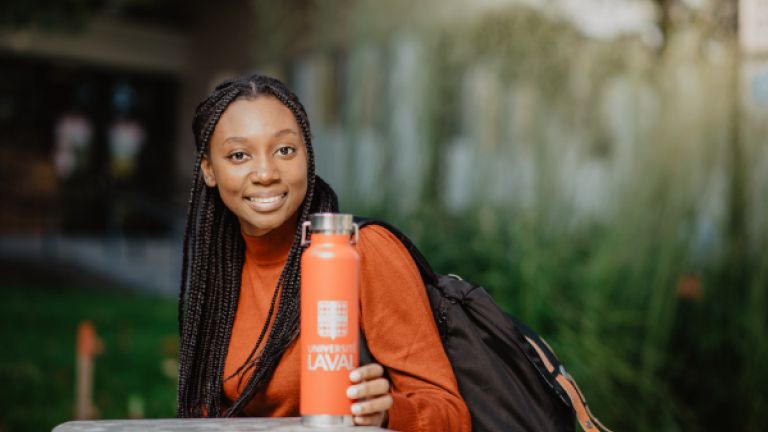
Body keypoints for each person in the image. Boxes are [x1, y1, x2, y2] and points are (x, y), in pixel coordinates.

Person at [177, 73, 471, 431]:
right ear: (210, 170)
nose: (266, 173)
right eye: (239, 155)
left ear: (307, 152)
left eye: (285, 150)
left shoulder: (361, 251)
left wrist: (386, 412)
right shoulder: (221, 269)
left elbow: (451, 415)